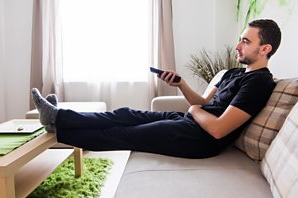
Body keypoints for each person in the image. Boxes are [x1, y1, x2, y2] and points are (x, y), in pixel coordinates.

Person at [31, 19, 281, 159]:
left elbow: (218, 129)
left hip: (201, 141)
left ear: (265, 48)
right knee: (125, 114)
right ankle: (57, 117)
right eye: (240, 39)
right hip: (190, 122)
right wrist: (181, 85)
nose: (238, 46)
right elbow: (205, 103)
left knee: (122, 133)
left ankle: (57, 130)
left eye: (246, 41)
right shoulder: (233, 72)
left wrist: (194, 109)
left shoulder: (259, 82)